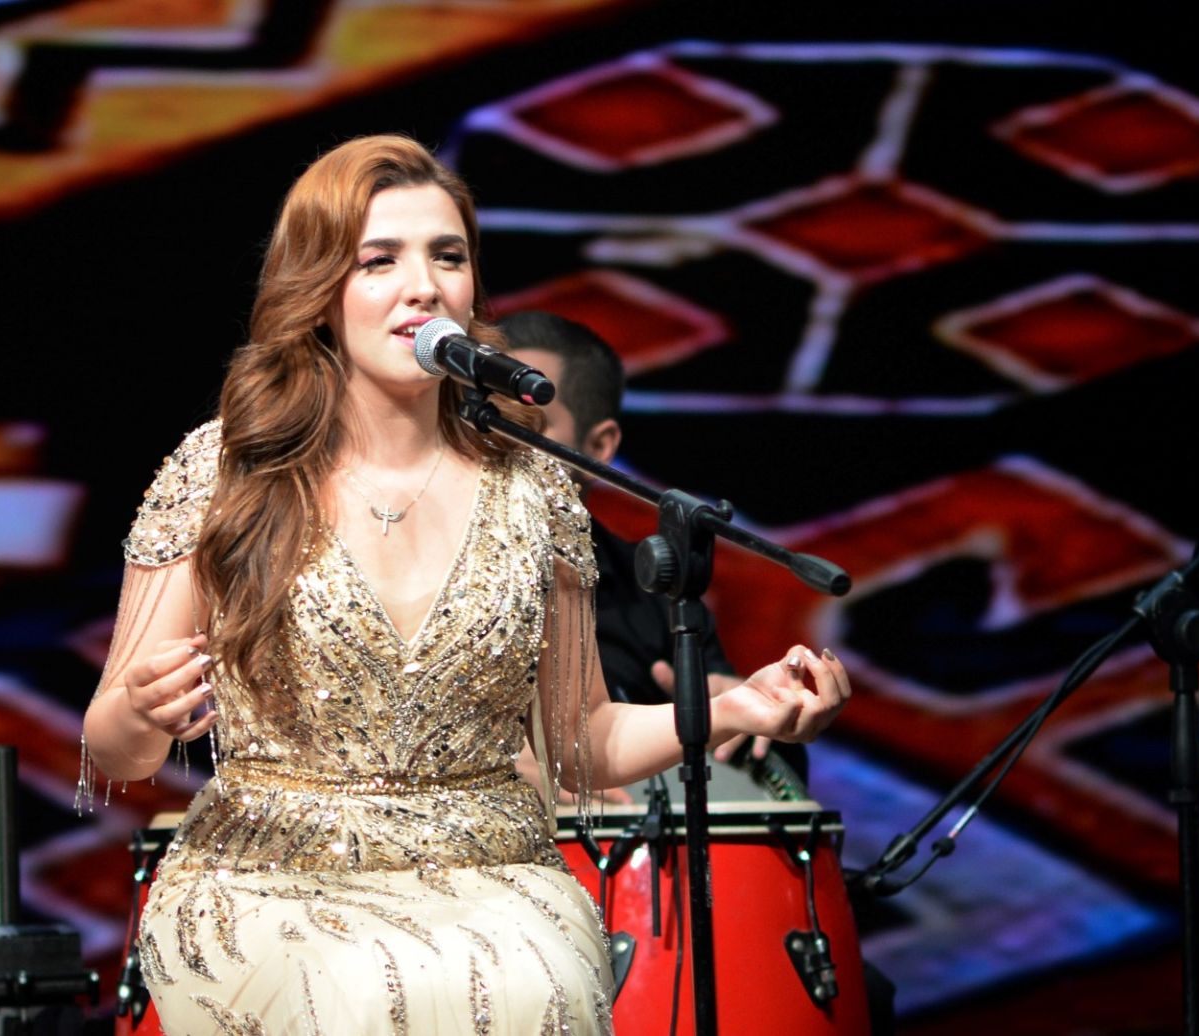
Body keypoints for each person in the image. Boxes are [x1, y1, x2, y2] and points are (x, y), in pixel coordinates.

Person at [78, 134, 849, 1036]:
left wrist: (733, 710)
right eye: (379, 260)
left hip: (492, 880)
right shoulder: (226, 470)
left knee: (531, 988)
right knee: (361, 992)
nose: (425, 286)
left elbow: (582, 739)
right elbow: (112, 750)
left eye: (447, 256)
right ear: (318, 289)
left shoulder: (533, 487)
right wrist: (142, 712)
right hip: (271, 878)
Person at [495, 310, 808, 792]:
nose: (493, 439)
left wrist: (744, 714)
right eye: (480, 417)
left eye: (525, 424)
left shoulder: (658, 598)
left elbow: (762, 776)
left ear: (598, 447)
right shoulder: (402, 562)